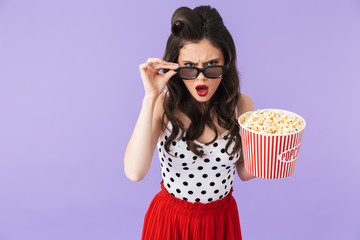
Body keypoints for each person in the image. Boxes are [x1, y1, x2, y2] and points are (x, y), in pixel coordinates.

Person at [124, 5, 256, 240]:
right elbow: (135, 172)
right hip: (170, 222)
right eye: (189, 68)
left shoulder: (242, 105)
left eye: (212, 65)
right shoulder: (162, 105)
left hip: (220, 223)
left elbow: (244, 172)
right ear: (175, 66)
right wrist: (150, 98)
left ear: (226, 63)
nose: (201, 77)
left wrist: (272, 156)